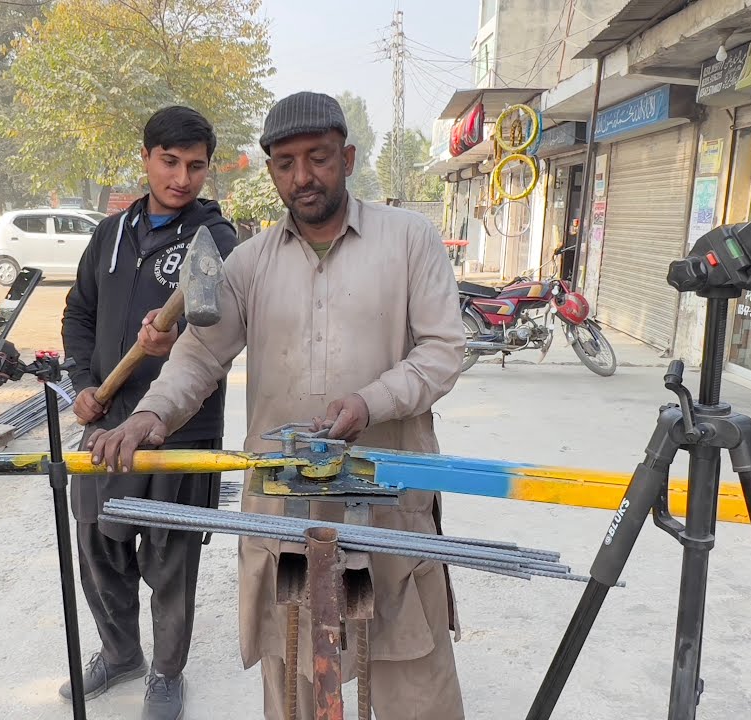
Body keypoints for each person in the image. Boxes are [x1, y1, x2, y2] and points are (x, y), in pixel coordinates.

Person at [88, 92, 467, 718]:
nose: (303, 177)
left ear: (346, 157)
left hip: (387, 497)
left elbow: (441, 352)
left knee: (409, 668)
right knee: (295, 671)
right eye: (285, 164)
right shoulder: (247, 262)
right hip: (288, 514)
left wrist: (369, 403)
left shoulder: (409, 240)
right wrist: (151, 415)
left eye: (318, 158)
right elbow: (199, 357)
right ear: (270, 172)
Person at [60, 105, 238, 720]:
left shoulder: (215, 240)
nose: (182, 178)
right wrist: (83, 383)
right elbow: (78, 314)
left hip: (179, 428)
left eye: (196, 166)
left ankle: (166, 671)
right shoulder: (108, 237)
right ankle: (119, 652)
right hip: (105, 422)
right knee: (97, 548)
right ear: (145, 159)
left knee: (169, 555)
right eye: (170, 162)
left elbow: (222, 323)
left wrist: (181, 327)